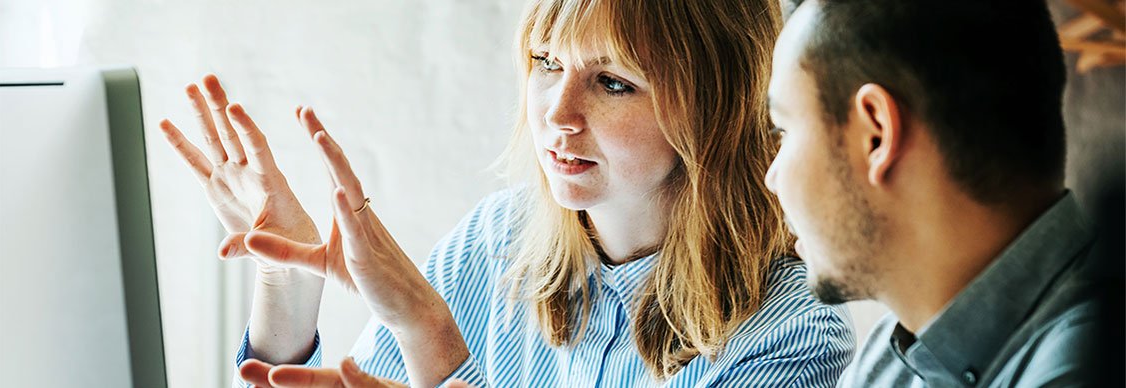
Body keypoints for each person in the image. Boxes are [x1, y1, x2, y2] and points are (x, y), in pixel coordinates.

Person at [162, 0, 855, 387]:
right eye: (545, 64)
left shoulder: (790, 335)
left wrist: (429, 335)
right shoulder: (495, 241)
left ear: (717, 109)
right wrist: (286, 278)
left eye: (612, 81)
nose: (555, 113)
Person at [766, 0, 1102, 386]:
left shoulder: (1088, 366)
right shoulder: (896, 351)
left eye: (784, 130)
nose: (772, 178)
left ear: (876, 134)